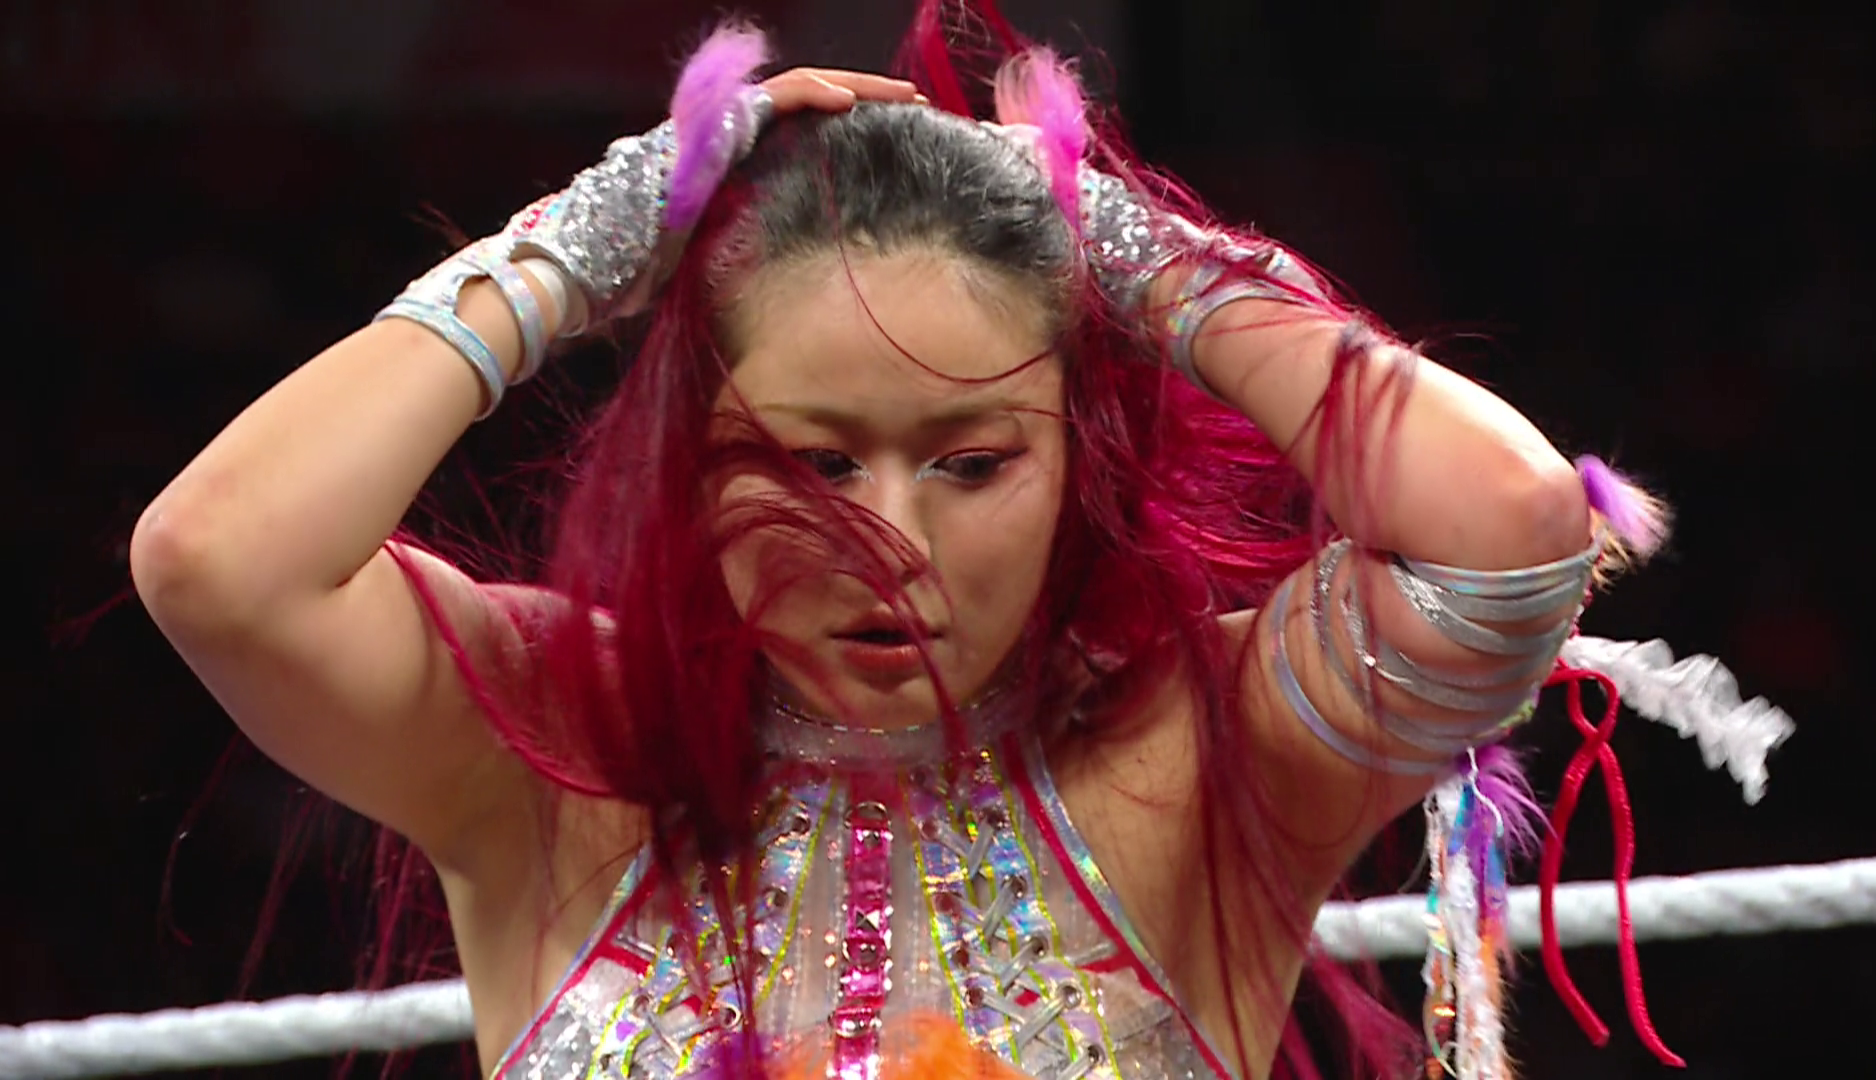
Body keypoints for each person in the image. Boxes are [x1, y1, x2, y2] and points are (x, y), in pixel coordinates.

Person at [129, 3, 1785, 1078]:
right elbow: (218, 559)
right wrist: (600, 233)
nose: (888, 541)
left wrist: (1121, 242)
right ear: (693, 465)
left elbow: (1508, 529)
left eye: (972, 461)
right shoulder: (560, 750)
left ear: (1078, 458)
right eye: (810, 462)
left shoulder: (1202, 747)